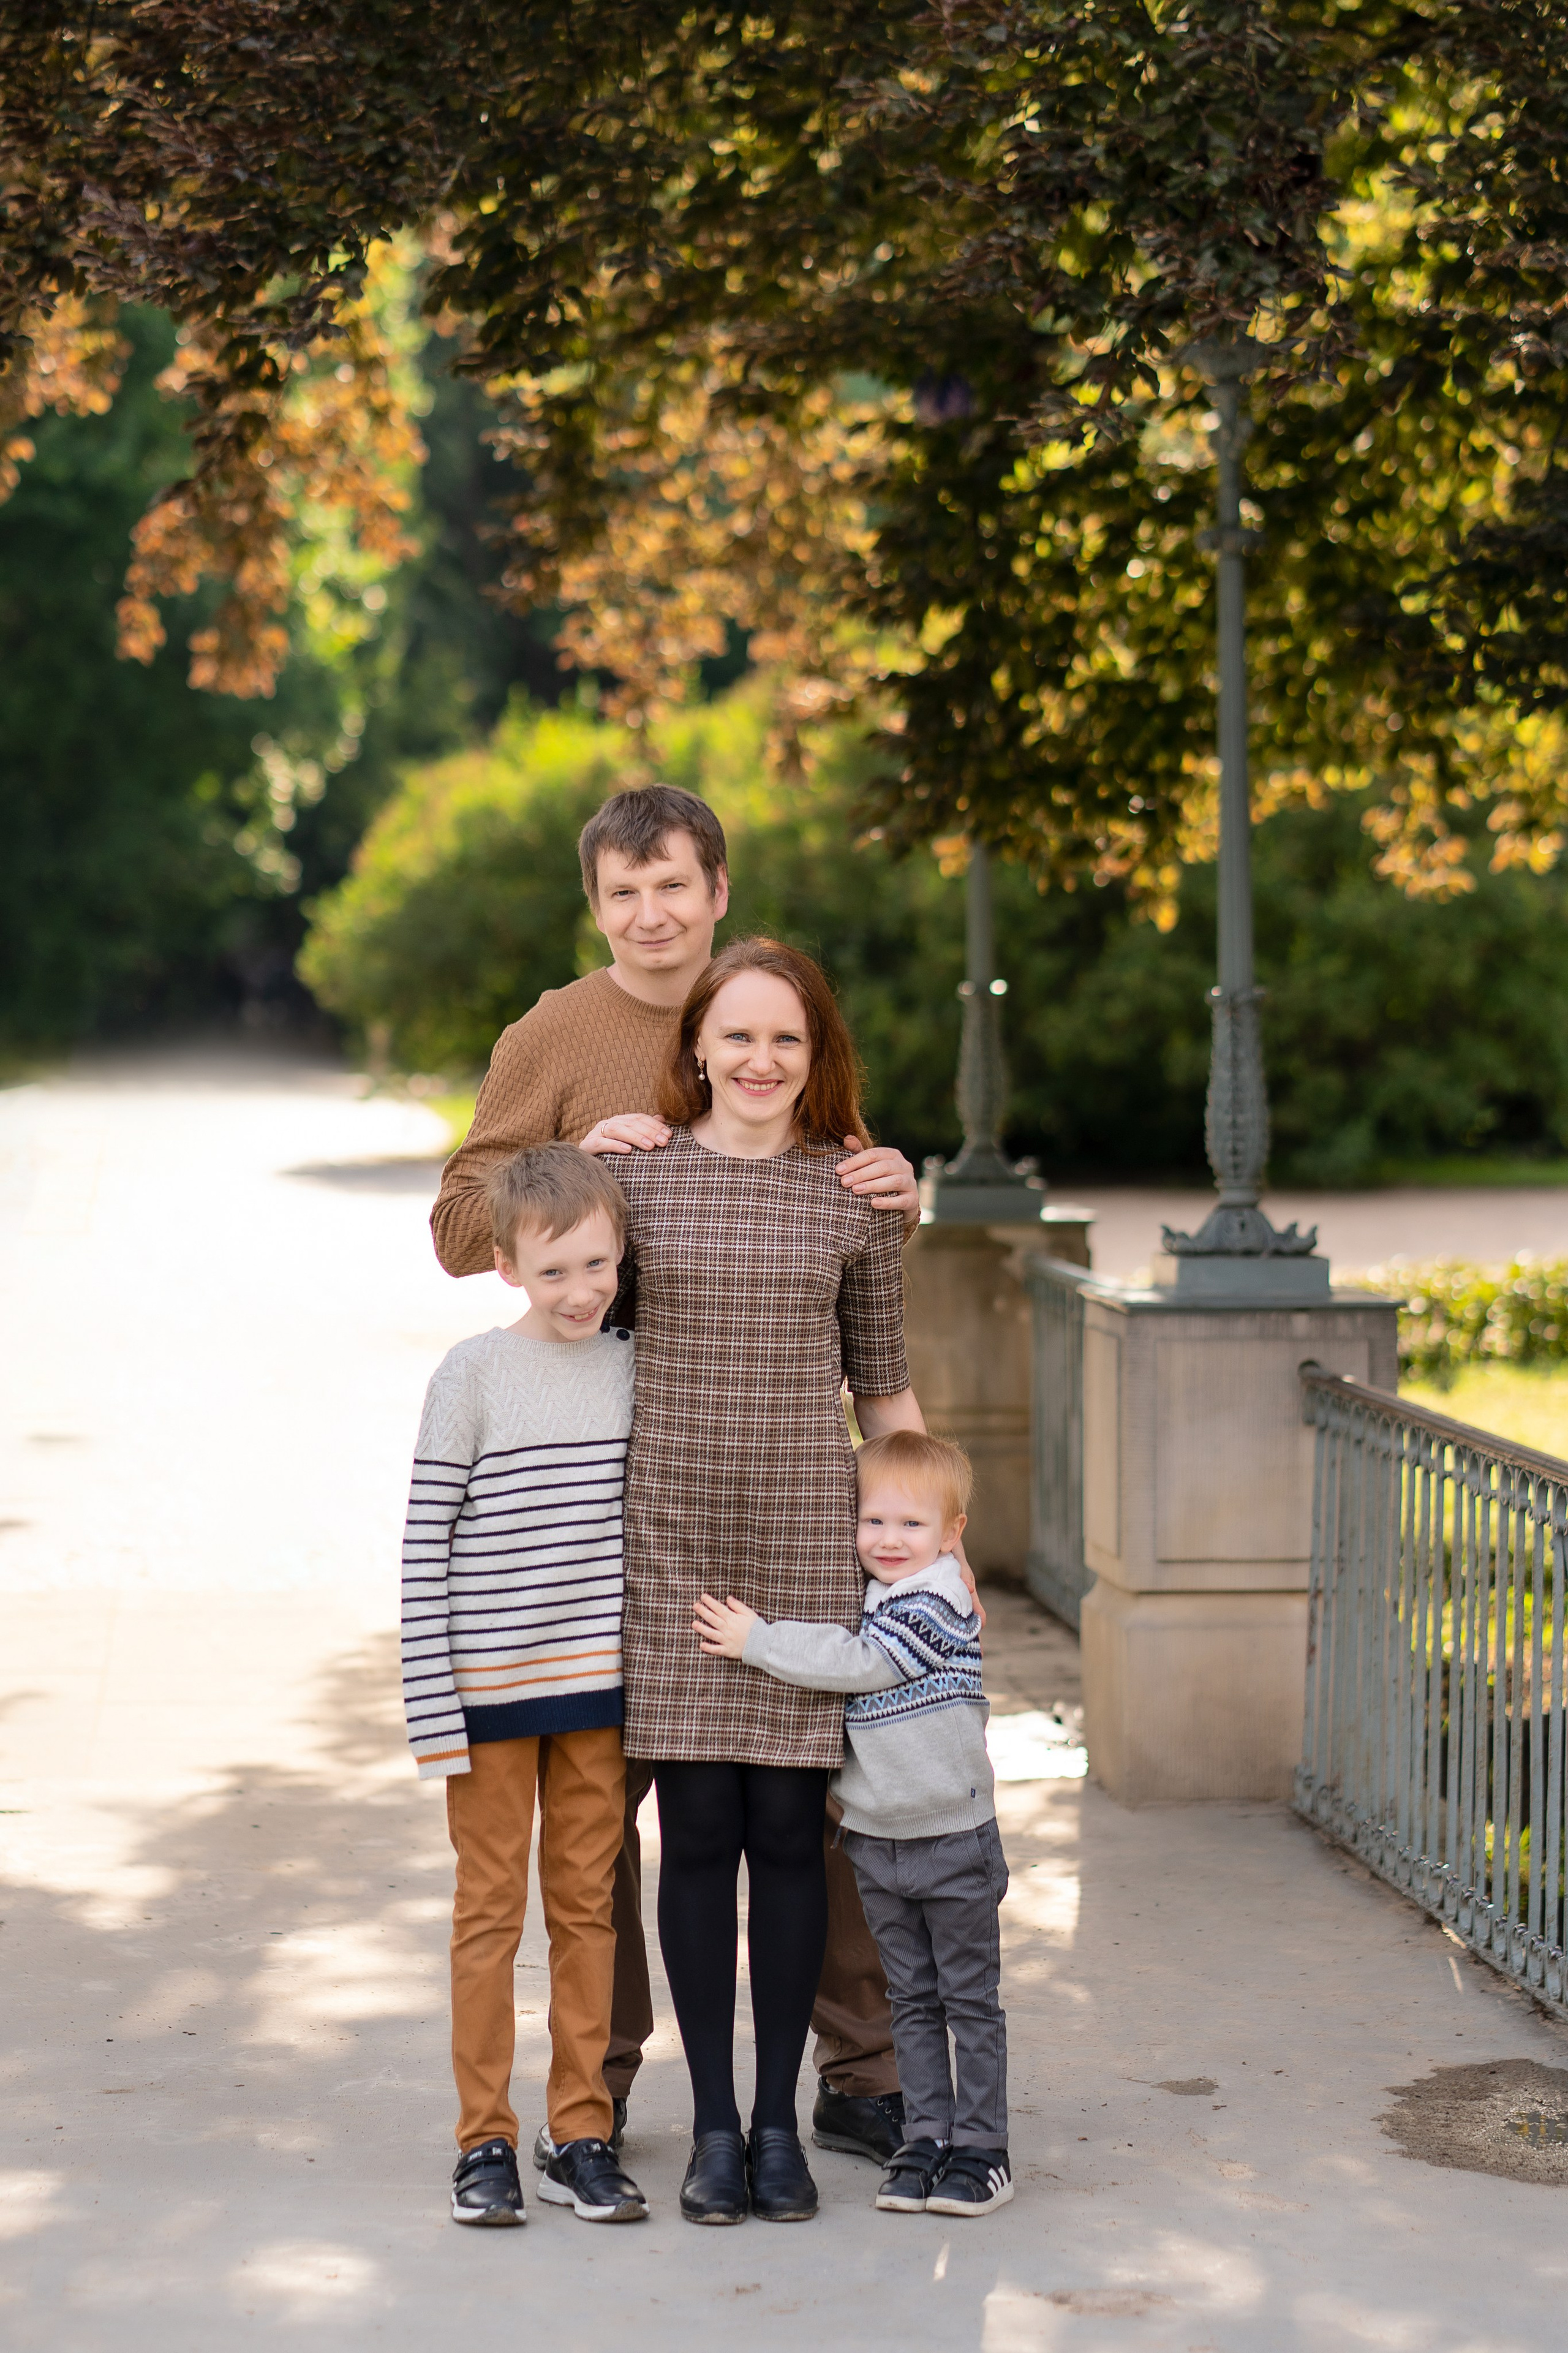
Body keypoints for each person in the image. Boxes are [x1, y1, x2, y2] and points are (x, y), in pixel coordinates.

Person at [430, 782, 919, 2170]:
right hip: (604, 1469)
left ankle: (857, 2066)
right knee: (620, 1806)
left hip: (769, 1465)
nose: (651, 914)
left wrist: (897, 1188)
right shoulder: (554, 1032)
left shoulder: (762, 1017)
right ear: (596, 904)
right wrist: (573, 1163)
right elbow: (461, 1219)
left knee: (810, 1793)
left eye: (675, 886)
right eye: (623, 891)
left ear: (715, 890)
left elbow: (837, 1204)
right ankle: (608, 2076)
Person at [587, 935, 925, 2225]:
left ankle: (779, 2122)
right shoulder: (640, 1185)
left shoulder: (853, 1196)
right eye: (735, 1035)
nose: (759, 1059)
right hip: (667, 1545)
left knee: (790, 1837)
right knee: (696, 1835)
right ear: (695, 1048)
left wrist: (931, 1550)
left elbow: (883, 1388)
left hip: (801, 1542)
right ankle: (711, 2128)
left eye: (785, 1037)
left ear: (815, 1052)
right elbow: (553, 1294)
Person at [400, 1144, 649, 2229]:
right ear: (506, 1265)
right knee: (489, 1916)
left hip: (599, 1693)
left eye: (596, 1265)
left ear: (621, 1254)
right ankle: (483, 2140)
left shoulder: (635, 1365)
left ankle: (580, 2129)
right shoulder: (472, 1375)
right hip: (490, 1696)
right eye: (553, 1271)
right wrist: (431, 1705)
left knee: (587, 1911)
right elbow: (425, 1543)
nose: (579, 1291)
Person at [695, 1429, 1012, 2218]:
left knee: (966, 2000)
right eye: (872, 1522)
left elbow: (860, 1663)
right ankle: (926, 2139)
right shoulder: (874, 1594)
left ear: (952, 1536)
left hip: (951, 1837)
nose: (891, 1540)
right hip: (879, 1843)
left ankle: (982, 2149)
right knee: (909, 2000)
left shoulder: (939, 1600)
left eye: (912, 1525)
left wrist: (757, 1642)